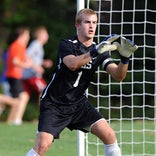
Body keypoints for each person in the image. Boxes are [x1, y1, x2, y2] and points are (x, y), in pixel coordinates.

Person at [26, 8, 138, 156]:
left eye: (94, 23)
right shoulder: (67, 44)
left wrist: (125, 59)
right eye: (87, 22)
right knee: (42, 147)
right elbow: (73, 64)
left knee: (110, 136)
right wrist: (95, 52)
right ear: (78, 25)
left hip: (78, 105)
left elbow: (118, 76)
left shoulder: (100, 50)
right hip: (54, 104)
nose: (92, 26)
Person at [5, 27, 33, 125]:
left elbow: (24, 58)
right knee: (18, 99)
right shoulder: (17, 46)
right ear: (22, 35)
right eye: (27, 35)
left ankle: (15, 120)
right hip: (13, 75)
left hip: (15, 76)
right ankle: (16, 120)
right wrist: (26, 65)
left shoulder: (20, 46)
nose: (28, 37)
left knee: (21, 97)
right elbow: (15, 61)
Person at [22, 26, 53, 97]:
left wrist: (44, 62)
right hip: (32, 75)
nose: (47, 36)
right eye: (46, 34)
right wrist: (36, 67)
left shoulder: (39, 46)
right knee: (45, 92)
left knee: (24, 97)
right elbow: (26, 55)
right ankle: (43, 108)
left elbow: (34, 59)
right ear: (40, 35)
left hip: (30, 75)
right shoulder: (36, 44)